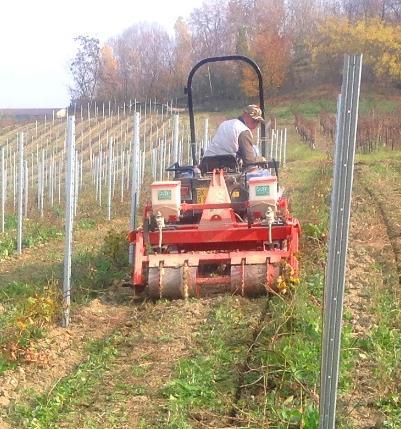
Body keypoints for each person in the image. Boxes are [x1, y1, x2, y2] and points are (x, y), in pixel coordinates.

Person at [201, 105, 265, 171]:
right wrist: (261, 159)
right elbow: (249, 161)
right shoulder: (243, 130)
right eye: (254, 121)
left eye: (258, 122)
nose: (255, 125)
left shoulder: (225, 123)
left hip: (206, 164)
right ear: (245, 115)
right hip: (226, 165)